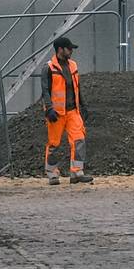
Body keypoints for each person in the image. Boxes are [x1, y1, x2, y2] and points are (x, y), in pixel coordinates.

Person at [42, 35, 90, 186]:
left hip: (72, 111)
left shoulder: (73, 66)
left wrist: (83, 105)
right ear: (60, 50)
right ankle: (52, 173)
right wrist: (49, 109)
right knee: (54, 144)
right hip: (56, 113)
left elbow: (77, 87)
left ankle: (76, 172)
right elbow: (45, 91)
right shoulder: (49, 68)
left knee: (79, 139)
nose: (71, 51)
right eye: (69, 49)